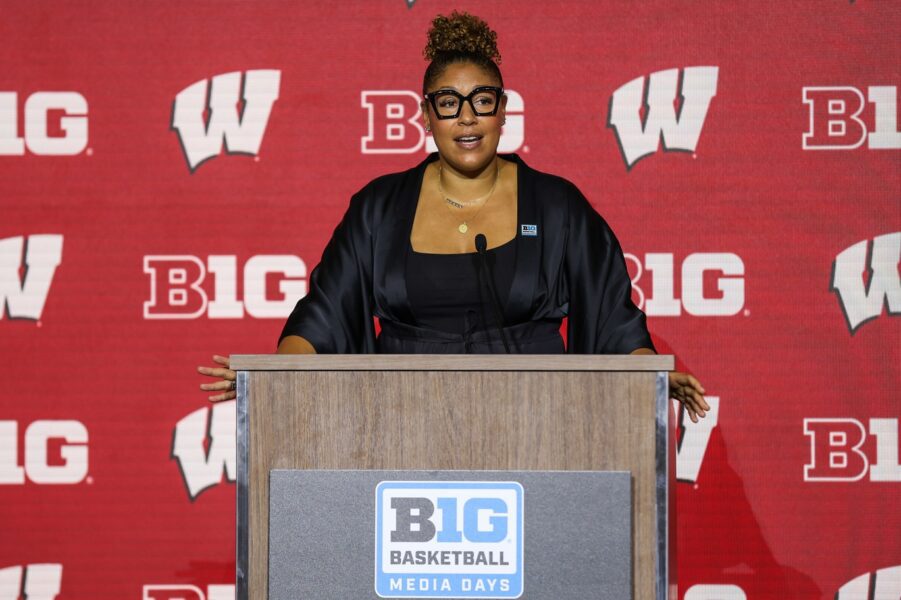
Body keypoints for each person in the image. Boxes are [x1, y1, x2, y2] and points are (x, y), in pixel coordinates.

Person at [199, 11, 709, 422]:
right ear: (425, 115)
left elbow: (614, 320)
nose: (467, 117)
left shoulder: (557, 205)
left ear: (504, 110)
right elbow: (325, 314)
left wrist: (655, 376)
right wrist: (269, 376)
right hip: (400, 423)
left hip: (537, 423)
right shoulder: (379, 207)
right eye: (448, 103)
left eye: (481, 101)